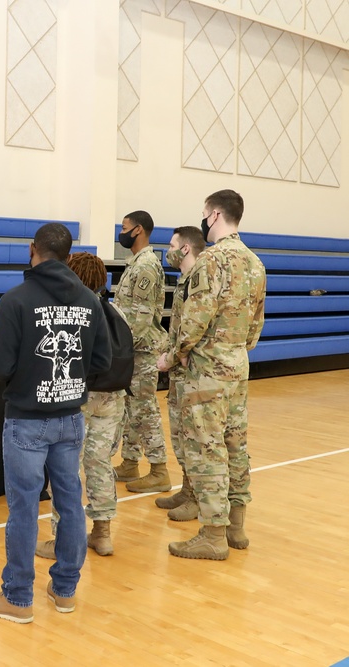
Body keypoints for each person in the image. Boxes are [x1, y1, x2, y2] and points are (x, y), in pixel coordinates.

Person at [0, 223, 112, 624]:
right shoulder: (90, 301)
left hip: (26, 421)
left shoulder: (16, 301)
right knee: (70, 503)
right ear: (69, 255)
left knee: (23, 509)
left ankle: (18, 598)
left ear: (31, 250)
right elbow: (103, 364)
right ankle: (65, 590)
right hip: (70, 417)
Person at [161, 190, 265, 560]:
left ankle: (213, 533)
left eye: (204, 213)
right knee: (236, 446)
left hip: (206, 372)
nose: (203, 219)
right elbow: (256, 325)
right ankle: (236, 525)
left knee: (207, 450)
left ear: (215, 214)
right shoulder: (255, 263)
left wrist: (172, 357)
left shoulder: (212, 261)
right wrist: (235, 350)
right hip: (237, 365)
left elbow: (194, 321)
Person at [35, 252, 126, 560]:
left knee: (66, 467)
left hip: (79, 396)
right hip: (113, 397)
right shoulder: (116, 311)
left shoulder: (73, 314)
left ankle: (61, 539)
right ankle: (102, 533)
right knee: (99, 462)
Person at [112, 210, 171, 493]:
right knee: (131, 408)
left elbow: (141, 317)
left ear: (137, 230)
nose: (120, 232)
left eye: (124, 228)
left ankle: (159, 470)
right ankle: (130, 462)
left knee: (145, 410)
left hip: (143, 351)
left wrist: (119, 349)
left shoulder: (146, 265)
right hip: (134, 351)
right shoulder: (136, 262)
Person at [154, 226, 206, 521]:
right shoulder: (185, 279)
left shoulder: (200, 278)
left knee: (194, 438)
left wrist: (172, 357)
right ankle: (187, 489)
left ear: (185, 248)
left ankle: (198, 497)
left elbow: (194, 329)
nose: (169, 250)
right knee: (180, 436)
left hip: (190, 370)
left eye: (172, 245)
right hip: (178, 371)